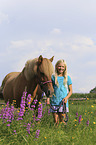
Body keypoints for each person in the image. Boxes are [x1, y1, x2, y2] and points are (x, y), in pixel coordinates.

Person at [47, 59, 72, 125]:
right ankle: (56, 132)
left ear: (65, 68)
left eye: (62, 67)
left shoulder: (67, 77)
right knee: (55, 120)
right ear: (56, 67)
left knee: (62, 119)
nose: (61, 68)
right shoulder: (52, 77)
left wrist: (66, 98)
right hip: (54, 101)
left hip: (63, 101)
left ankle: (63, 132)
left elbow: (71, 91)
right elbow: (50, 89)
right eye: (59, 66)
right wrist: (48, 99)